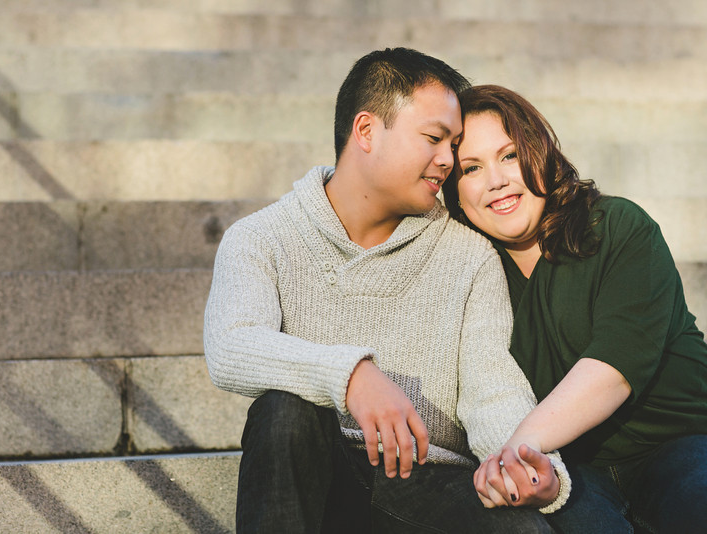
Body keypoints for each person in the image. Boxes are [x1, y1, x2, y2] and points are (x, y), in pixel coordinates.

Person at [204, 48, 570, 533]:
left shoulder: (469, 255)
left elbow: (490, 387)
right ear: (367, 131)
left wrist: (527, 462)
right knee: (282, 412)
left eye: (454, 143)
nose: (449, 160)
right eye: (435, 139)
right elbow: (230, 345)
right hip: (317, 480)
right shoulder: (262, 239)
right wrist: (351, 376)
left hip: (429, 489)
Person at [442, 84, 707, 533]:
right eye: (471, 168)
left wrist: (520, 445)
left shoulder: (617, 227)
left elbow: (612, 370)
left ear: (540, 153)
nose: (496, 180)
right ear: (456, 194)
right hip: (571, 470)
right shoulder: (473, 277)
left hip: (680, 441)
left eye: (509, 156)